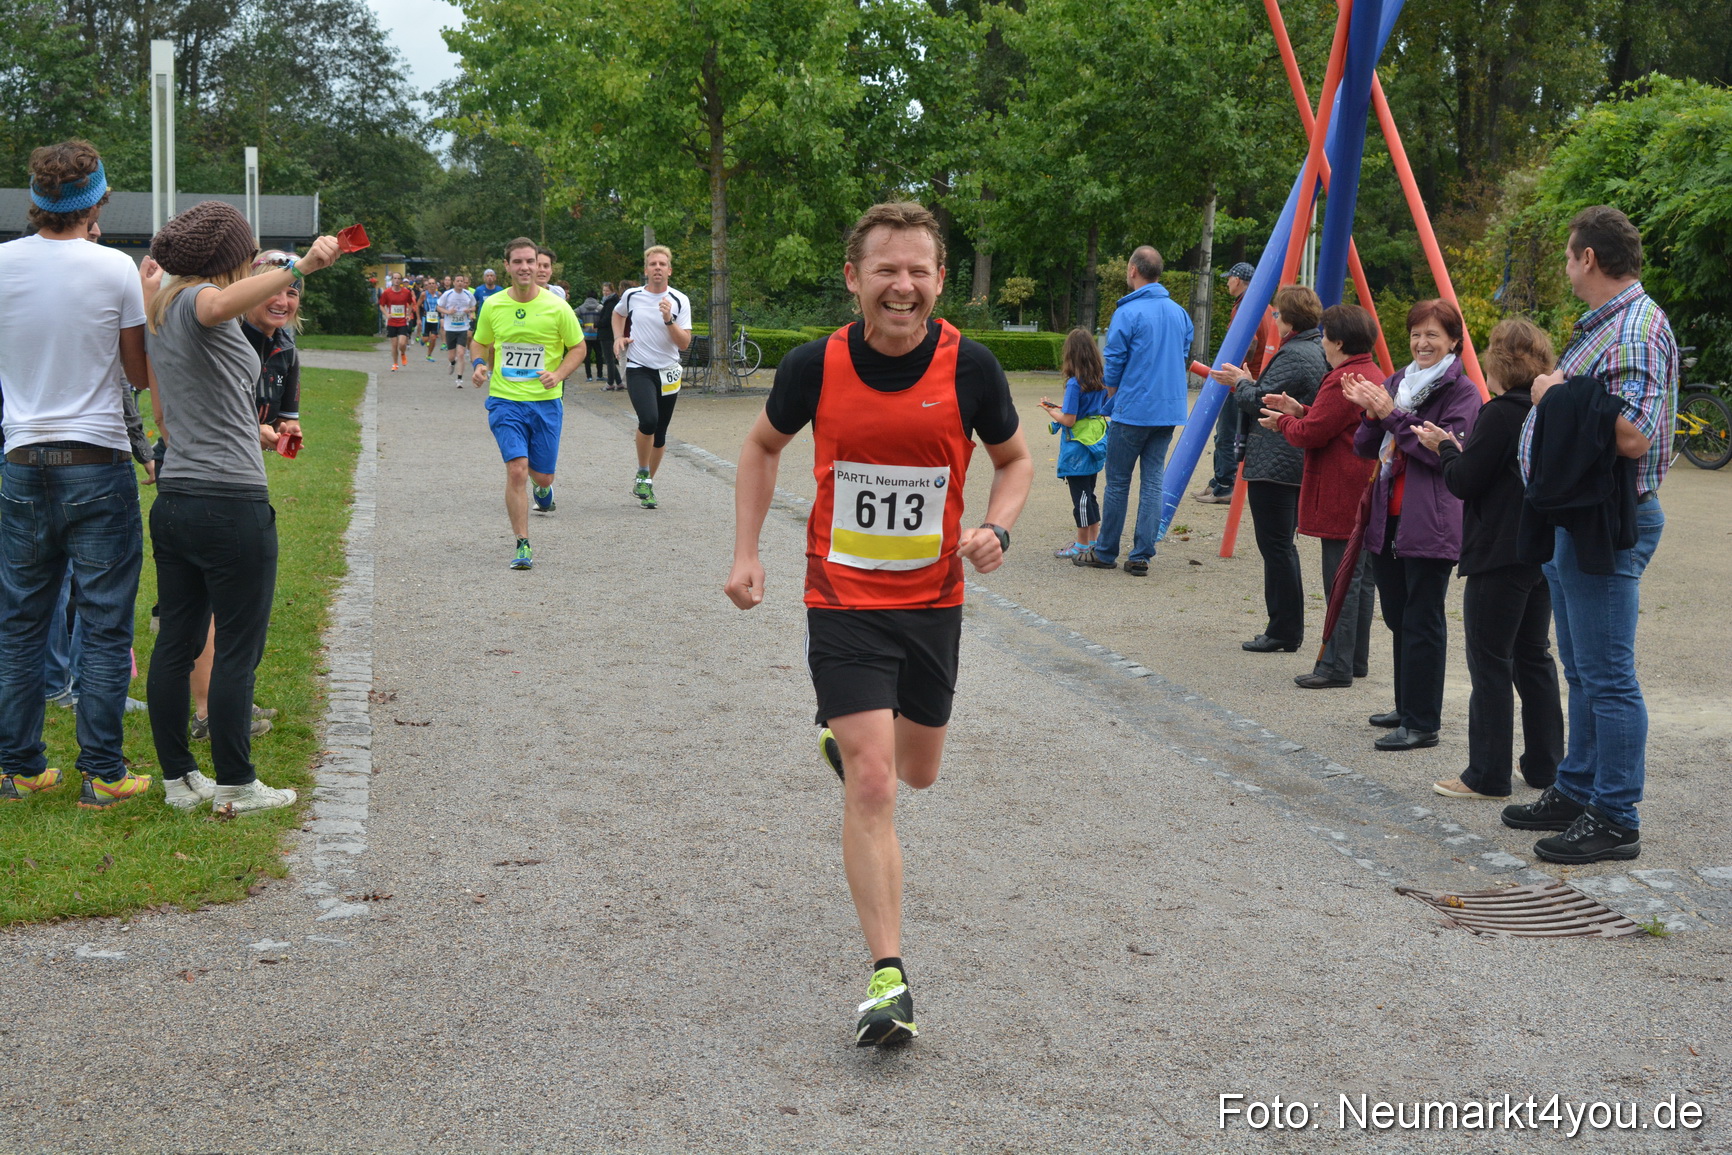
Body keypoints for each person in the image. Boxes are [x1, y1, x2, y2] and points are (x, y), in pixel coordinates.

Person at [724, 201, 1031, 1047]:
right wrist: (748, 551)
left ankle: (849, 743)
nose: (903, 285)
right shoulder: (812, 365)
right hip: (844, 601)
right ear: (854, 277)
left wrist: (998, 525)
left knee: (917, 771)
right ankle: (888, 978)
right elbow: (759, 448)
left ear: (938, 279)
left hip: (932, 604)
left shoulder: (972, 367)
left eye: (919, 270)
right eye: (886, 269)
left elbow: (1014, 459)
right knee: (873, 782)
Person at [144, 200, 340, 813]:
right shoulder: (199, 301)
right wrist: (302, 265)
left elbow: (187, 409)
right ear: (230, 259)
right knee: (235, 647)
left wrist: (256, 432)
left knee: (176, 642)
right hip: (228, 503)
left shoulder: (161, 304)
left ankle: (179, 780)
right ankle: (235, 781)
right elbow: (218, 303)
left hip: (177, 497)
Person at [1500, 206, 1677, 864]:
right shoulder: (1609, 325)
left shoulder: (1632, 328)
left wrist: (1552, 395)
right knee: (1582, 669)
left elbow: (1633, 432)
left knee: (1607, 676)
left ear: (1589, 259)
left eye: (1570, 255)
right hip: (1576, 519)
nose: (1567, 266)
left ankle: (1615, 815)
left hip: (1606, 523)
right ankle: (1577, 787)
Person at [0, 140, 155, 809]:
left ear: (36, 200)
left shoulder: (1, 263)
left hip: (20, 461)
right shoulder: (115, 268)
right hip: (95, 461)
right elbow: (139, 374)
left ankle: (18, 766)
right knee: (102, 623)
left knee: (21, 621)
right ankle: (102, 770)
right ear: (94, 201)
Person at [1419, 318, 1563, 801]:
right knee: (1533, 657)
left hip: (1498, 549)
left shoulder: (1500, 412)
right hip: (1538, 548)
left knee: (1490, 660)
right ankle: (1546, 765)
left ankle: (1487, 773)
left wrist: (1444, 449)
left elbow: (1464, 480)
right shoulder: (1547, 409)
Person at [1341, 299, 1480, 751]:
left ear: (1454, 341)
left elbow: (1441, 452)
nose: (1423, 343)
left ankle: (1423, 722)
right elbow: (1365, 446)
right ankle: (1406, 706)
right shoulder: (1399, 381)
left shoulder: (1463, 392)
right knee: (1399, 617)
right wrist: (1369, 412)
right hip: (1389, 513)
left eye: (1433, 335)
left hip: (1431, 519)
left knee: (1424, 619)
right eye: (1417, 333)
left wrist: (1390, 414)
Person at [1262, 303, 1380, 688]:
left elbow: (1313, 433)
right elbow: (1332, 420)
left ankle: (1335, 665)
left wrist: (1285, 422)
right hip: (1363, 486)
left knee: (1340, 580)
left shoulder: (1342, 377)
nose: (1322, 344)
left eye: (1326, 336)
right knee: (1359, 580)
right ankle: (1354, 658)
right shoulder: (1371, 371)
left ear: (1339, 341)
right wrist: (1301, 411)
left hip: (1339, 488)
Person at [1211, 284, 1327, 652]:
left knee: (1276, 547)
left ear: (1289, 318)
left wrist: (1242, 384)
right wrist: (1251, 382)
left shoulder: (1295, 353)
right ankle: (1284, 626)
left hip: (1277, 461)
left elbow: (1262, 402)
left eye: (1277, 314)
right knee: (1281, 546)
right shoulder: (1313, 348)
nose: (1274, 319)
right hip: (1289, 459)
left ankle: (1284, 629)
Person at [1073, 245, 1192, 576]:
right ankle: (1141, 554)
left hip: (1133, 410)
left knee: (1118, 482)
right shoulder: (1179, 312)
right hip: (1168, 411)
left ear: (1133, 271)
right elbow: (1183, 355)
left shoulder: (1127, 313)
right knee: (1153, 480)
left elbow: (1112, 367)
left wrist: (1105, 401)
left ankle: (1107, 550)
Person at [470, 237, 585, 570]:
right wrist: (479, 365)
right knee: (516, 470)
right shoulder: (493, 305)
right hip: (506, 400)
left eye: (530, 262)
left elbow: (578, 348)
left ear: (539, 265)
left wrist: (559, 374)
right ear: (507, 266)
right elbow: (480, 343)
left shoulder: (557, 307)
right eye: (517, 262)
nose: (524, 267)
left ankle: (543, 488)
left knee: (543, 477)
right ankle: (522, 544)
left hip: (545, 403)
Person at [614, 250, 693, 509]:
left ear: (669, 270)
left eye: (662, 264)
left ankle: (645, 484)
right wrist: (618, 337)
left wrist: (669, 319)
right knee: (648, 420)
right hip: (639, 368)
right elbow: (618, 314)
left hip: (668, 371)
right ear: (646, 269)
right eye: (652, 264)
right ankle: (642, 469)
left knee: (660, 433)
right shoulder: (632, 295)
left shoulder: (680, 300)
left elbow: (684, 343)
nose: (657, 268)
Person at [1197, 261, 1279, 503]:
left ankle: (1224, 485)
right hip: (1255, 379)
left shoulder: (1246, 306)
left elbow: (1251, 343)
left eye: (1229, 277)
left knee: (1226, 433)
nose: (1227, 282)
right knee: (1229, 432)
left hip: (1240, 382)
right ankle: (1218, 481)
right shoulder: (1264, 305)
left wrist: (1234, 367)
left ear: (1239, 280)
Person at [1037, 328, 1111, 557]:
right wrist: (1061, 408)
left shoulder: (1074, 383)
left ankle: (1081, 544)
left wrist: (1051, 412)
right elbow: (1090, 410)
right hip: (1095, 440)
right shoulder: (1102, 379)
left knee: (1079, 497)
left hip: (1077, 446)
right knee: (1090, 492)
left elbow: (1069, 420)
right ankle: (1094, 540)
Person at [438, 274, 478, 386]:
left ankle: (459, 379)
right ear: (454, 282)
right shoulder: (448, 294)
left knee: (461, 353)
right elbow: (439, 307)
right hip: (450, 327)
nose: (460, 283)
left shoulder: (468, 294)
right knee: (452, 355)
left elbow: (474, 307)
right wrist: (447, 312)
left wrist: (469, 310)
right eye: (458, 281)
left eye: (462, 281)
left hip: (462, 327)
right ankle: (452, 362)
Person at [378, 274, 418, 372]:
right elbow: (381, 305)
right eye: (395, 278)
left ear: (401, 281)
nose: (396, 280)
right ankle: (395, 363)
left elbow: (411, 303)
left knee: (402, 343)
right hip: (392, 322)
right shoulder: (387, 292)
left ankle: (403, 353)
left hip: (402, 321)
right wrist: (387, 314)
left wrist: (408, 314)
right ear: (392, 280)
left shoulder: (406, 292)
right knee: (394, 344)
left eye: (398, 279)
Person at [598, 280, 627, 390]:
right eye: (604, 290)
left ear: (612, 291)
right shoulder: (610, 302)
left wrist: (596, 324)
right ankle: (619, 382)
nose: (605, 292)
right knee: (610, 359)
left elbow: (606, 320)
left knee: (609, 359)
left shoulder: (610, 303)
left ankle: (610, 383)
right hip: (608, 333)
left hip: (607, 334)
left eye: (607, 290)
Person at [577, 291, 604, 380]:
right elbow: (605, 318)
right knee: (599, 355)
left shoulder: (581, 308)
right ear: (596, 297)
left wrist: (581, 323)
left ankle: (589, 376)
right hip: (597, 335)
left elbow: (572, 314)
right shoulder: (600, 308)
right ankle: (599, 375)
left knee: (587, 356)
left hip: (586, 335)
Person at [420, 278, 442, 360]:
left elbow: (442, 304)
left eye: (433, 283)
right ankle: (423, 340)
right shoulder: (424, 294)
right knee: (426, 339)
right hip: (426, 318)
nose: (432, 285)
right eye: (430, 283)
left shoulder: (439, 294)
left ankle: (429, 355)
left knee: (433, 337)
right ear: (427, 285)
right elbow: (418, 305)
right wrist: (418, 318)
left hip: (435, 318)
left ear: (436, 285)